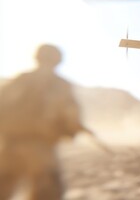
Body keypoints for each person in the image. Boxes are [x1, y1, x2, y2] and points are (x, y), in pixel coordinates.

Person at [0, 44, 84, 200]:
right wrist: (72, 130)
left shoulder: (19, 80)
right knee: (48, 193)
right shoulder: (59, 85)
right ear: (58, 61)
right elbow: (71, 117)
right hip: (40, 149)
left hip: (9, 147)